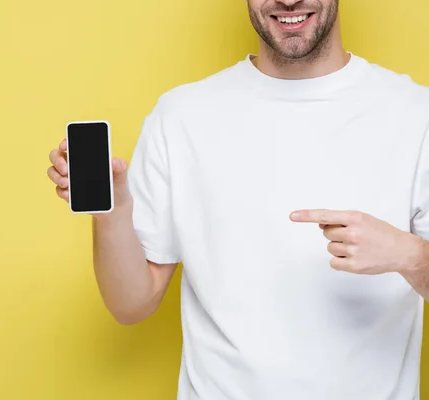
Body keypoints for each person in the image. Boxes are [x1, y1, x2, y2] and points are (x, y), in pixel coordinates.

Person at [47, 0, 429, 398]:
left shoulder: (417, 114)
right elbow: (130, 304)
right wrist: (113, 212)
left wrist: (411, 256)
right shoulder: (180, 116)